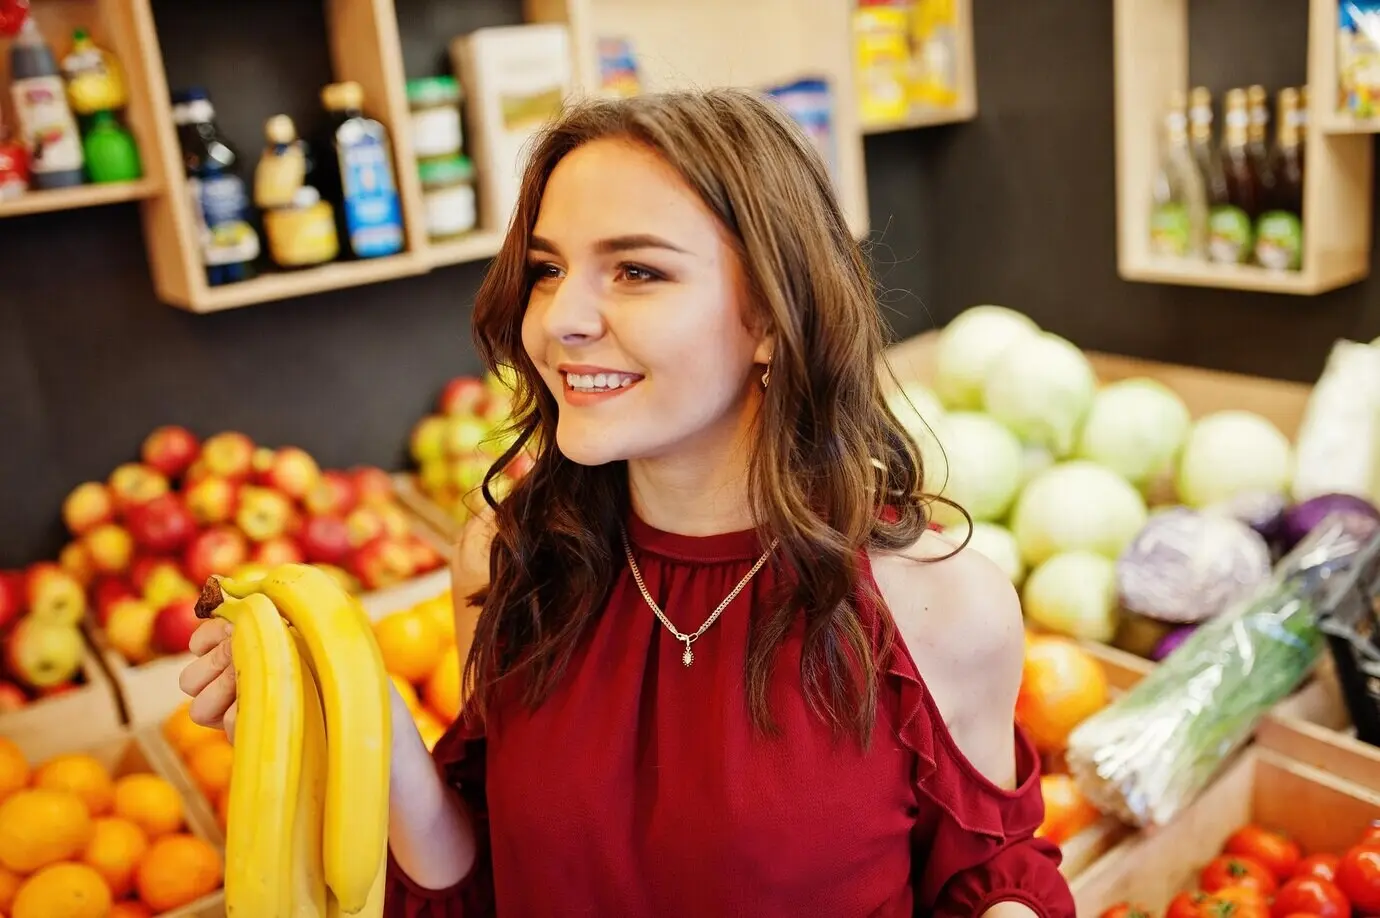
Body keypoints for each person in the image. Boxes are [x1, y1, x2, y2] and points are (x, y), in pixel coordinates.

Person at [179, 87, 1075, 917]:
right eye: (546, 269)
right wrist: (358, 717)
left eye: (636, 272)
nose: (560, 318)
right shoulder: (512, 559)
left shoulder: (936, 601)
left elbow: (983, 874)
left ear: (769, 316)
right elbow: (484, 879)